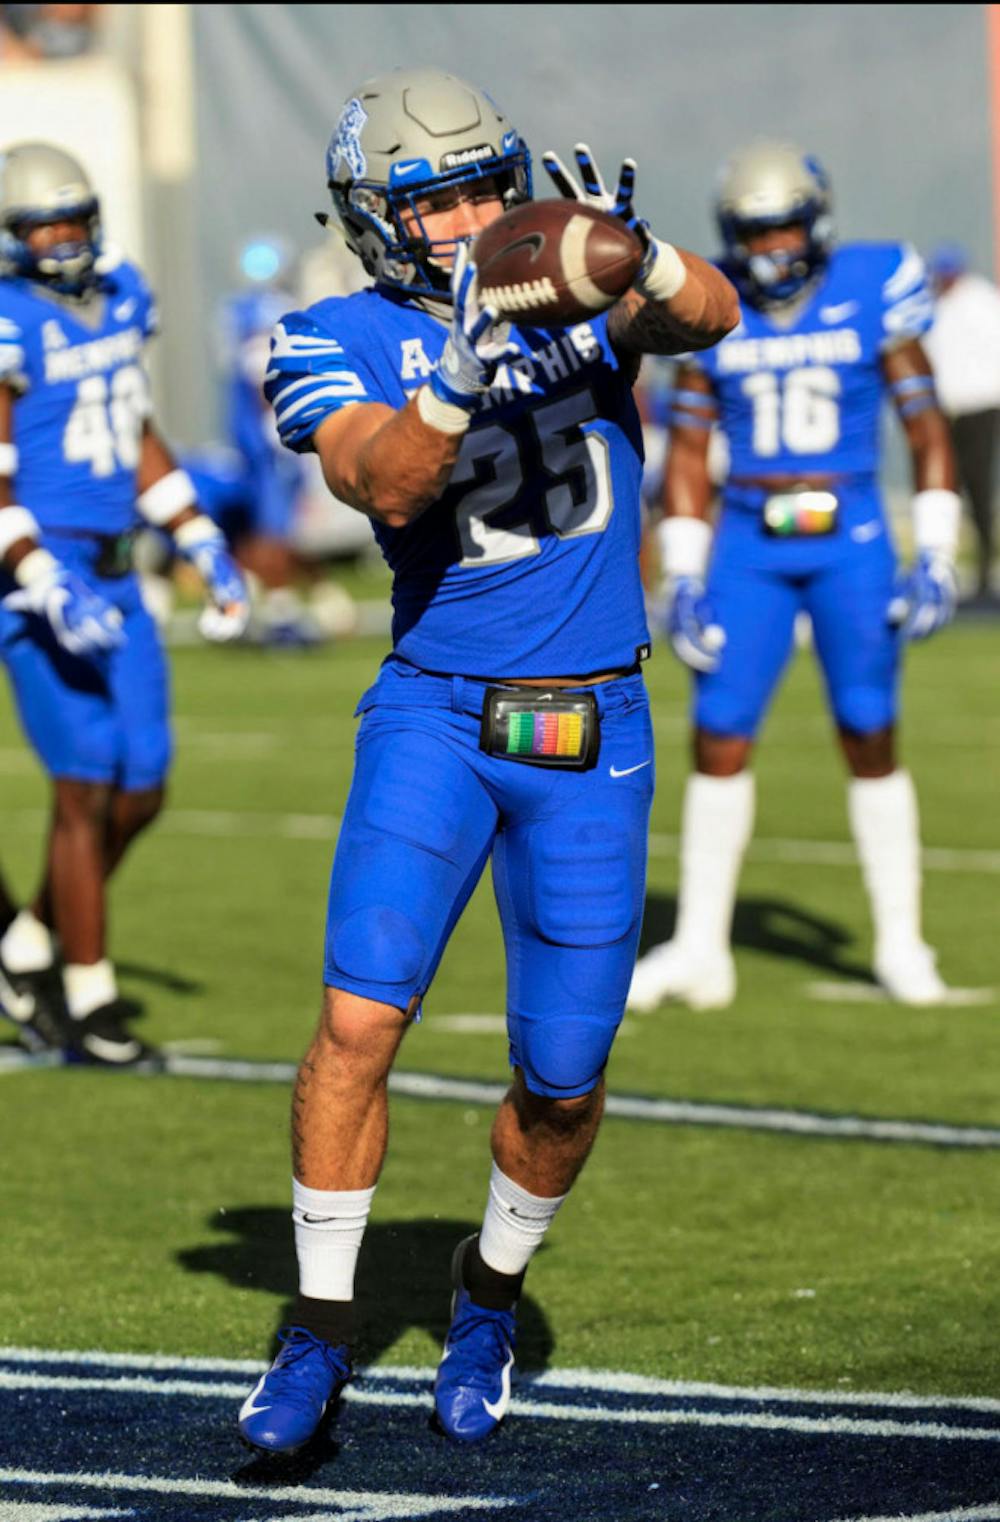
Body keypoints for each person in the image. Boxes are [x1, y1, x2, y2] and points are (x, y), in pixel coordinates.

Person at [236, 66, 737, 1454]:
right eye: (432, 199)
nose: (467, 218)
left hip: (591, 722)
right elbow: (384, 481)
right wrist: (460, 365)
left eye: (481, 188)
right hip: (438, 711)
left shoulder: (574, 298)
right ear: (376, 219)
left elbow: (713, 315)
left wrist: (641, 261)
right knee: (357, 1023)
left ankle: (487, 1290)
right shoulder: (326, 333)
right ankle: (321, 1324)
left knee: (565, 1074)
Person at [627, 141, 959, 1015]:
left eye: (784, 228)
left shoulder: (871, 283)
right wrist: (684, 575)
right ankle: (701, 946)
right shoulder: (711, 299)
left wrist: (934, 549)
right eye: (754, 231)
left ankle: (899, 940)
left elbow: (924, 428)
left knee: (868, 729)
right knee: (721, 733)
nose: (772, 248)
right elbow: (690, 453)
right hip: (746, 542)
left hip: (848, 530)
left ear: (818, 222)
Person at [0, 142, 250, 1064]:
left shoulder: (125, 293)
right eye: (43, 226)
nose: (63, 240)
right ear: (15, 238)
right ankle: (91, 1005)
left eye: (73, 219)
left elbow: (133, 427)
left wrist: (198, 536)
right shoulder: (7, 318)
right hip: (39, 573)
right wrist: (37, 575)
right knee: (87, 782)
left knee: (144, 784)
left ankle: (26, 941)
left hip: (116, 570)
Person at [924, 243, 1000, 602]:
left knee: (978, 489)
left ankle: (986, 567)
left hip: (980, 408)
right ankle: (943, 567)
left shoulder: (983, 302)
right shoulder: (935, 305)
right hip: (945, 412)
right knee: (945, 491)